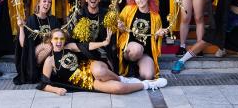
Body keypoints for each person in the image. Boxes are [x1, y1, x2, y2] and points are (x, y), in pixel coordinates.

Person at [37, 28, 167, 95]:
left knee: (99, 71)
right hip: (86, 82)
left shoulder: (69, 47)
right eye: (56, 39)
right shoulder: (49, 61)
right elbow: (43, 84)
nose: (59, 42)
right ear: (51, 40)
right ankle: (147, 85)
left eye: (61, 38)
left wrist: (104, 43)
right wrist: (57, 90)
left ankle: (122, 79)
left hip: (91, 66)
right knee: (118, 89)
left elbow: (87, 46)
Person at [118, 0, 167, 80]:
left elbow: (154, 39)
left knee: (148, 76)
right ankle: (129, 66)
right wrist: (120, 27)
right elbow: (118, 30)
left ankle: (136, 68)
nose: (139, 0)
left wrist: (158, 34)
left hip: (145, 51)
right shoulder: (128, 9)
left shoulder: (155, 16)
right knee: (137, 49)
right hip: (130, 49)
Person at [14, 0, 61, 85]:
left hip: (48, 55)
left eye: (49, 2)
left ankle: (45, 71)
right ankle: (33, 70)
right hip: (32, 55)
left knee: (54, 45)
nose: (46, 4)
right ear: (39, 3)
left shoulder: (52, 20)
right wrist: (21, 27)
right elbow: (23, 44)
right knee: (48, 46)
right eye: (44, 1)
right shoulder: (32, 19)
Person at [68, 0, 115, 68]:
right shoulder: (78, 14)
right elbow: (72, 37)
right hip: (83, 50)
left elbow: (111, 34)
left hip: (101, 49)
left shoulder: (106, 14)